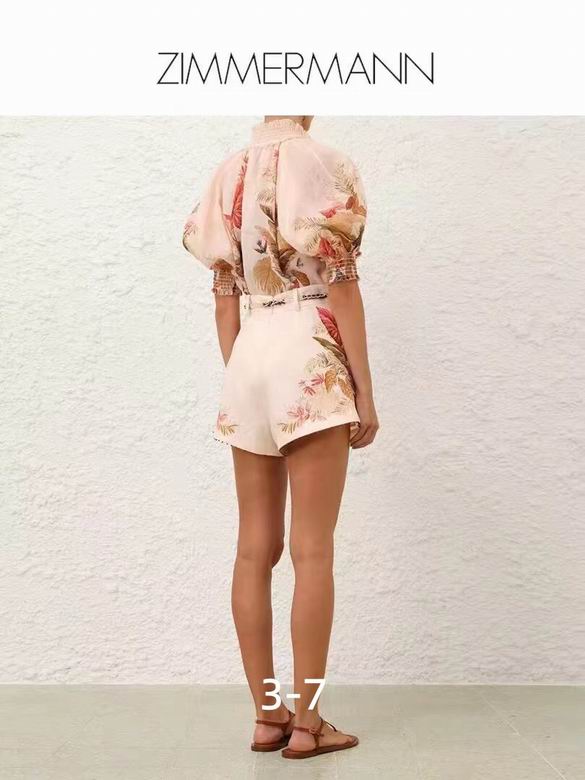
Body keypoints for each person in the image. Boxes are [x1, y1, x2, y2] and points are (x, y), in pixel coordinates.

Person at [182, 115, 379, 759]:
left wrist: (246, 378)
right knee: (311, 550)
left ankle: (268, 714)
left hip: (250, 352)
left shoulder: (226, 172)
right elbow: (342, 288)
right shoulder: (322, 161)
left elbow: (223, 299)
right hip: (307, 345)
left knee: (253, 550)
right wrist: (364, 392)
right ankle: (308, 722)